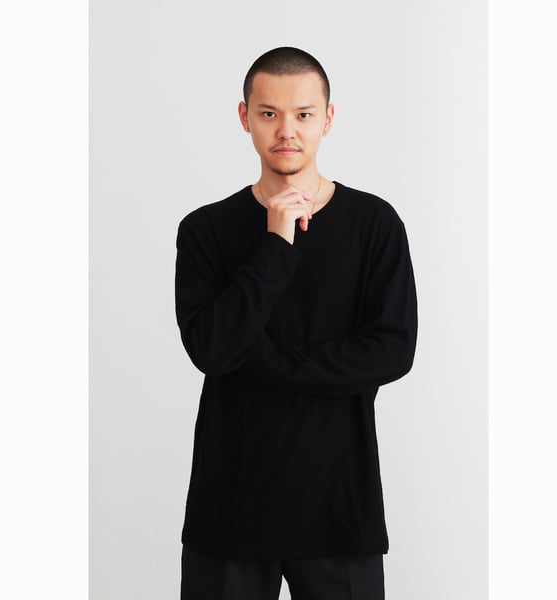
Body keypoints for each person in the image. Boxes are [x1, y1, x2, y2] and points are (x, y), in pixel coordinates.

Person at [175, 46, 418, 600]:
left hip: (338, 507)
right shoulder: (205, 231)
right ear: (245, 117)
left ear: (327, 119)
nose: (287, 130)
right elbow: (211, 350)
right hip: (229, 510)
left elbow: (391, 351)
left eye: (303, 114)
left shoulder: (374, 225)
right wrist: (276, 245)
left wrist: (263, 361)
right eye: (269, 113)